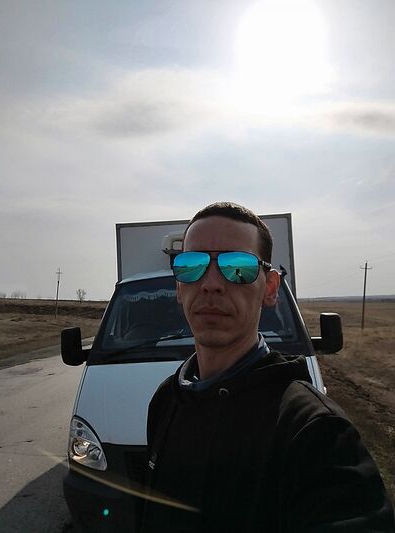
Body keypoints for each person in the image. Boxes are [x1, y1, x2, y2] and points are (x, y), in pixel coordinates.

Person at [140, 202, 394, 533]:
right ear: (178, 287)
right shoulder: (166, 399)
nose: (211, 283)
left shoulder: (313, 430)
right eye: (191, 265)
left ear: (270, 289)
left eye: (238, 267)